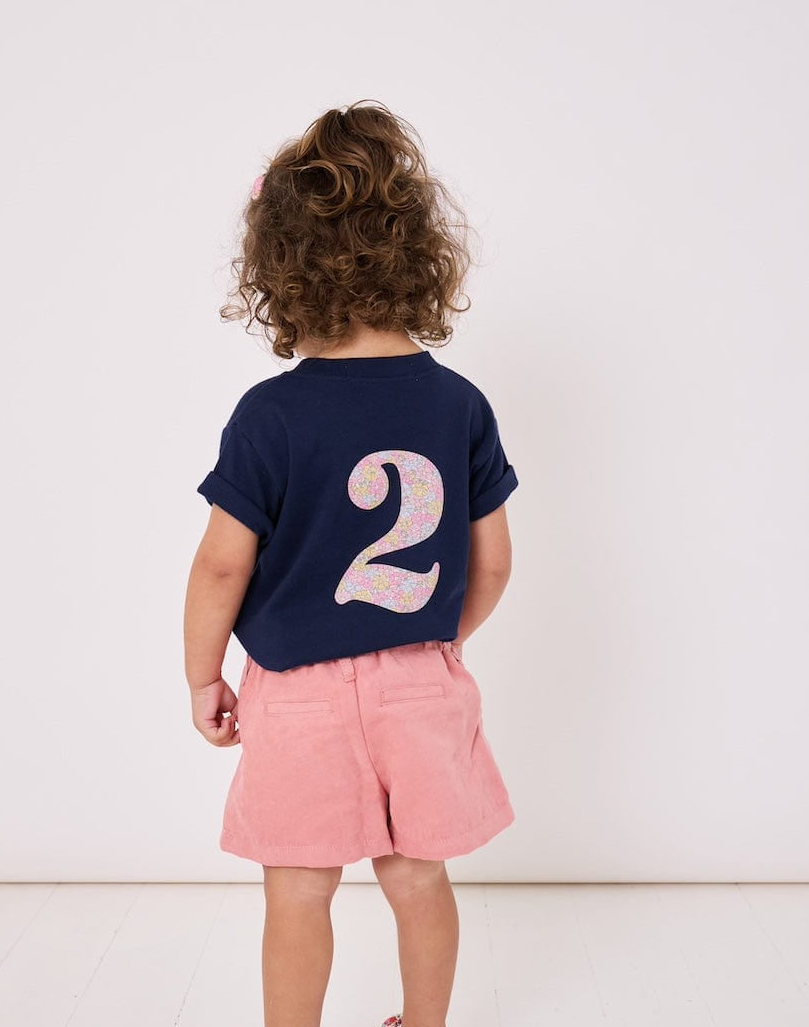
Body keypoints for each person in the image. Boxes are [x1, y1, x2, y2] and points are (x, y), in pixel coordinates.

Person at [183, 100, 519, 1027]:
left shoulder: (270, 415)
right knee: (418, 874)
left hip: (297, 691)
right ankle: (426, 1023)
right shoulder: (457, 404)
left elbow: (220, 568)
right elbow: (492, 561)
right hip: (422, 678)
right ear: (417, 254)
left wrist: (203, 674)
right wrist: (432, 641)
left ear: (277, 268)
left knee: (296, 885)